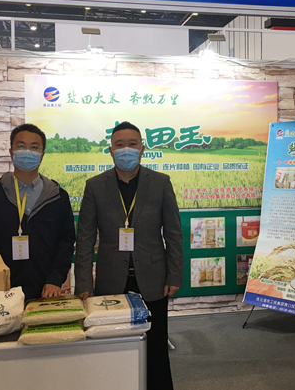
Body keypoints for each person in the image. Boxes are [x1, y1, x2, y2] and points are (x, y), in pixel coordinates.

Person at [75, 121, 183, 390]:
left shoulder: (160, 183)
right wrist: (84, 282)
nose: (126, 150)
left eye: (132, 144)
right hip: (111, 281)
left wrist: (175, 275)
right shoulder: (95, 186)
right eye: (120, 145)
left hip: (153, 278)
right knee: (113, 345)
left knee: (155, 345)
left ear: (142, 149)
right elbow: (85, 238)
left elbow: (173, 233)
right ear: (111, 150)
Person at [0, 123, 75, 302]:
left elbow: (66, 242)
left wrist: (55, 280)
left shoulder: (57, 196)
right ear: (11, 152)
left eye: (34, 147)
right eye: (21, 146)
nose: (27, 152)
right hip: (1, 292)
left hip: (46, 290)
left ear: (42, 155)